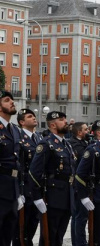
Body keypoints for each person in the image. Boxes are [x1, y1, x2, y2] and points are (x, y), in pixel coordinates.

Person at [29, 111, 75, 246]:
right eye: (62, 120)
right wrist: (37, 197)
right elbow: (34, 172)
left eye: (65, 119)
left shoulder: (66, 144)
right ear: (53, 125)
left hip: (67, 196)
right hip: (52, 197)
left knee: (59, 235)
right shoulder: (46, 144)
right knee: (49, 236)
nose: (66, 122)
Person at [14, 109, 40, 246]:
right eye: (30, 116)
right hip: (24, 187)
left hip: (36, 189)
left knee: (33, 225)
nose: (34, 118)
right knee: (20, 231)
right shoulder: (19, 139)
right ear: (22, 122)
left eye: (34, 115)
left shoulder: (38, 138)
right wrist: (18, 192)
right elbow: (17, 167)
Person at [0, 90, 22, 246]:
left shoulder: (14, 129)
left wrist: (19, 191)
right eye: (7, 100)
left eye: (12, 100)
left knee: (8, 233)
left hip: (12, 189)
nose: (12, 102)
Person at [69, 121, 90, 246]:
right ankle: (79, 243)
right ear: (79, 132)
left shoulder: (83, 143)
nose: (88, 131)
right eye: (85, 129)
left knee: (81, 216)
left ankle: (79, 241)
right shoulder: (75, 144)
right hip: (78, 183)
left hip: (84, 183)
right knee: (79, 216)